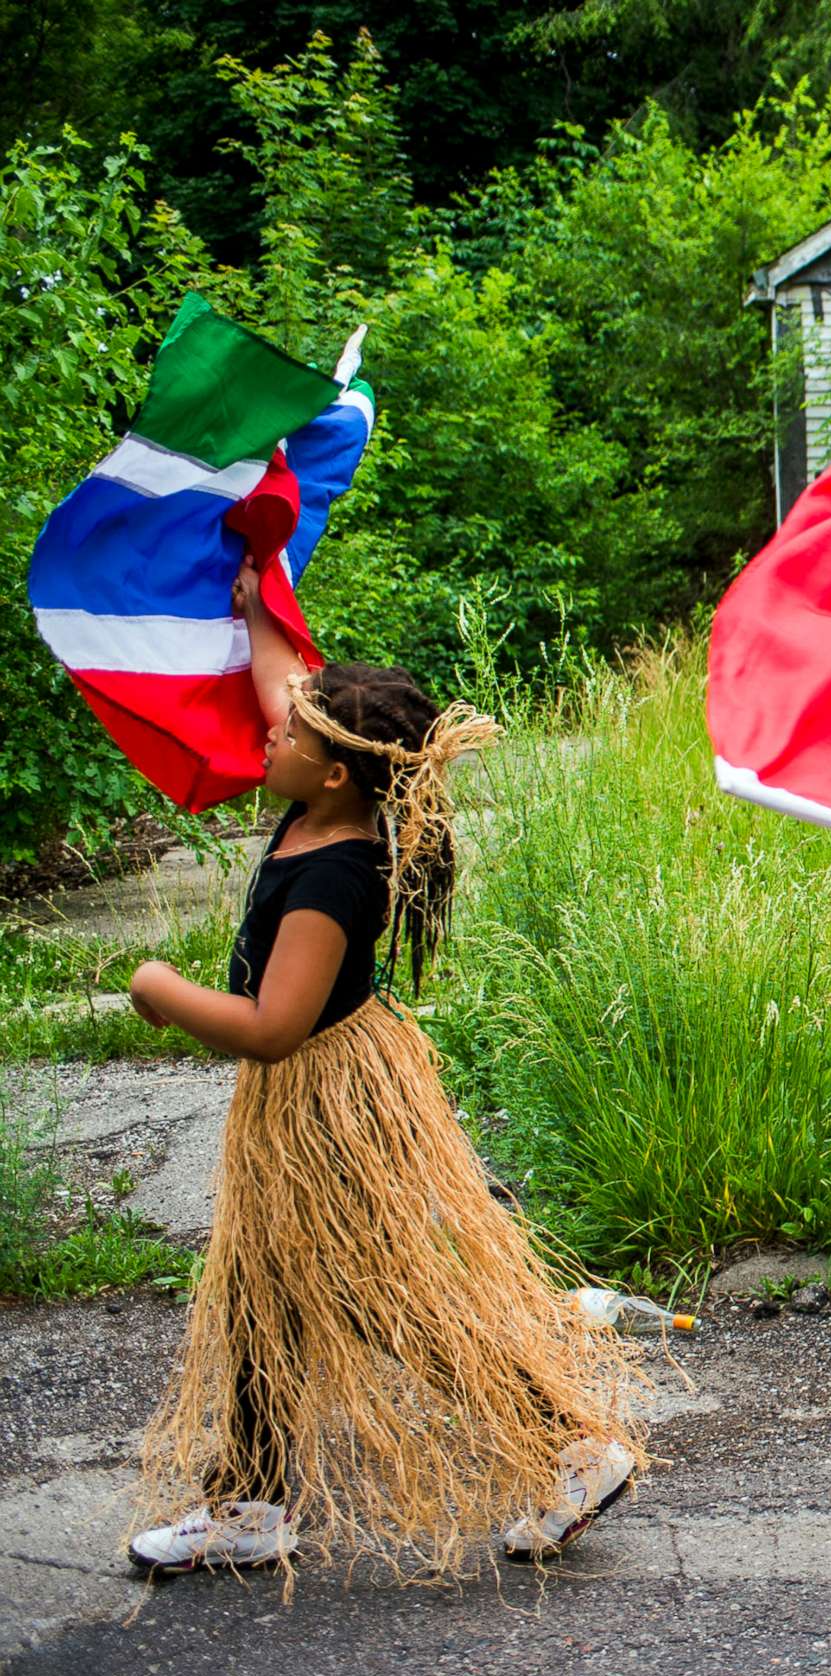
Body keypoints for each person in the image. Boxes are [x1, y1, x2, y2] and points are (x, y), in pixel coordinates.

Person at [124, 556, 641, 1585]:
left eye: (290, 734)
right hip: (302, 1106)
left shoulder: (333, 870)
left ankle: (569, 1449)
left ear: (330, 772)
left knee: (383, 1293)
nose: (268, 727)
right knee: (269, 1293)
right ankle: (256, 1501)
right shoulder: (322, 795)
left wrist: (158, 991)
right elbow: (284, 683)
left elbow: (274, 1026)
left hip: (328, 1103)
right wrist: (256, 593)